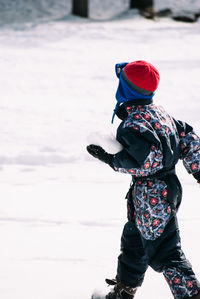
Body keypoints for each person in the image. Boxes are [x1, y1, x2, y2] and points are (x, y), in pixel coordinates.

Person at [87, 60, 200, 299]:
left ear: (125, 90)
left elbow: (142, 162)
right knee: (134, 242)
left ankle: (190, 295)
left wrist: (109, 158)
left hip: (152, 195)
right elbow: (188, 138)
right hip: (161, 193)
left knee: (166, 252)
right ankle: (123, 291)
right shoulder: (159, 113)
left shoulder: (133, 125)